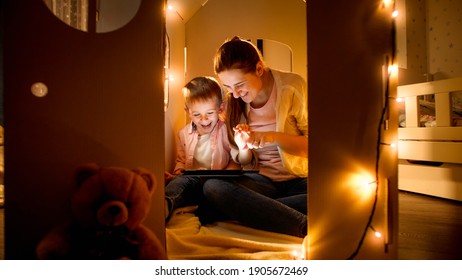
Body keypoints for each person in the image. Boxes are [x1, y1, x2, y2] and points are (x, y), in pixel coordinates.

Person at [201, 36, 308, 237]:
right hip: (261, 181)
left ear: (259, 69)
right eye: (228, 88)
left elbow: (315, 147)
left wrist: (272, 137)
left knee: (331, 195)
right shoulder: (234, 102)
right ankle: (300, 224)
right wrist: (243, 148)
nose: (235, 93)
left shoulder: (292, 86)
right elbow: (243, 161)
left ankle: (255, 210)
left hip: (299, 180)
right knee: (213, 187)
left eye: (239, 84)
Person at [164, 76, 239, 221]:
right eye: (197, 114)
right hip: (192, 183)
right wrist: (176, 175)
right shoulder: (183, 134)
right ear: (188, 111)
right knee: (180, 183)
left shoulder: (225, 131)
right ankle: (164, 205)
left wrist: (223, 177)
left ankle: (209, 211)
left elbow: (235, 161)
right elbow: (181, 161)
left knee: (217, 193)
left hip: (216, 184)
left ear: (220, 109)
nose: (203, 120)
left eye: (209, 113)